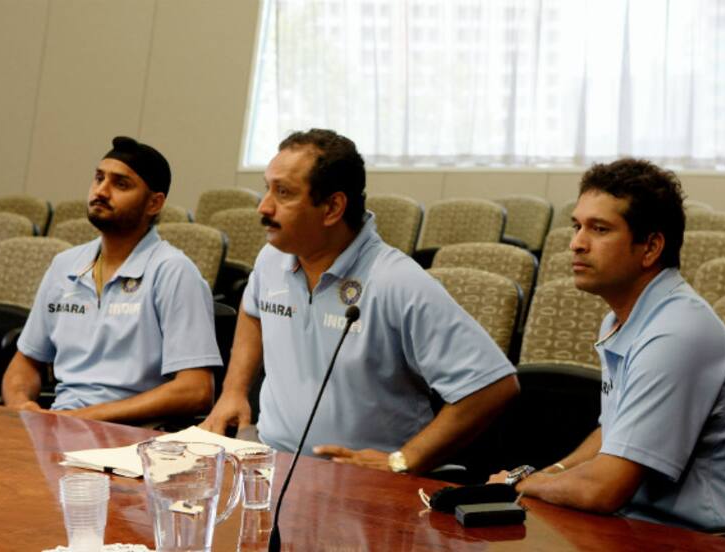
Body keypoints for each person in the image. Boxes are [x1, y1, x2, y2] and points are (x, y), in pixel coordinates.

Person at [201, 129, 519, 474]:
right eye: (267, 188)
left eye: (284, 193)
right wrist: (233, 391)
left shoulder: (396, 280)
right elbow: (253, 312)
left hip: (361, 481)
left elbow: (493, 386)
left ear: (333, 207)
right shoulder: (271, 259)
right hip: (273, 463)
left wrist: (404, 460)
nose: (264, 207)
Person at [490, 158, 725, 529]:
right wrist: (549, 473)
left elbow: (603, 490)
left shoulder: (675, 333)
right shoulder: (622, 318)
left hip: (707, 538)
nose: (576, 244)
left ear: (651, 247)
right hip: (639, 524)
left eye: (599, 229)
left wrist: (524, 483)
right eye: (577, 226)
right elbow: (616, 433)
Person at [2, 136, 221, 423]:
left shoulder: (173, 271)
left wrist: (83, 418)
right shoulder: (64, 265)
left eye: (121, 184)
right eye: (98, 178)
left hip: (132, 435)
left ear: (154, 203)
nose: (101, 191)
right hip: (60, 426)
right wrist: (22, 405)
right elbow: (26, 362)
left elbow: (195, 389)